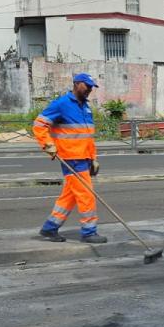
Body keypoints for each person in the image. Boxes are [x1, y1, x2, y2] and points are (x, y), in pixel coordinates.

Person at [33, 73, 106, 244]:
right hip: (71, 158)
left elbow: (87, 136)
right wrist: (47, 145)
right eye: (86, 86)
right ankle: (89, 232)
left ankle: (50, 228)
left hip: (84, 158)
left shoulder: (86, 107)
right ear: (77, 84)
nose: (89, 90)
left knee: (70, 196)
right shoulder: (61, 104)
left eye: (91, 87)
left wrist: (93, 158)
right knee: (86, 195)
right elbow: (39, 124)